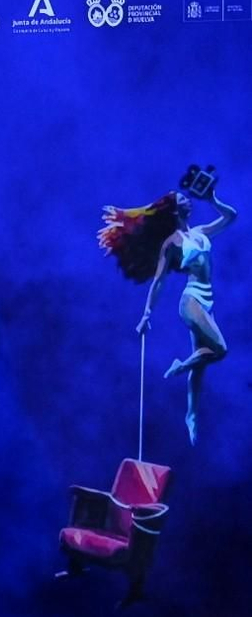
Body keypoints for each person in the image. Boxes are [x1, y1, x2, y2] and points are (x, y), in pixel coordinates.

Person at [100, 185, 237, 444]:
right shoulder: (173, 243)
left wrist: (213, 199)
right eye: (184, 198)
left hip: (208, 301)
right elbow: (159, 281)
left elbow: (231, 217)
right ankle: (179, 366)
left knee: (201, 368)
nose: (189, 201)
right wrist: (146, 314)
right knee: (220, 349)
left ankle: (191, 414)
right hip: (191, 301)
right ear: (176, 209)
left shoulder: (199, 232)